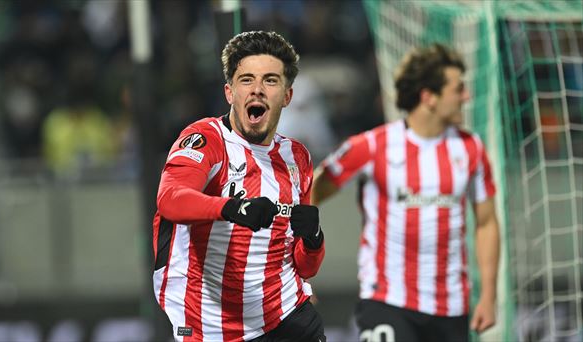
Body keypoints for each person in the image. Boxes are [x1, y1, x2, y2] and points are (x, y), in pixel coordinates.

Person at [311, 43, 500, 342]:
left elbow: (487, 222)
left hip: (451, 306)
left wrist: (489, 295)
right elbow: (308, 194)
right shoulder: (372, 146)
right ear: (429, 97)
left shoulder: (470, 148)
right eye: (458, 89)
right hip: (388, 300)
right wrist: (296, 271)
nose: (466, 97)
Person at [152, 31, 326, 342]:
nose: (257, 90)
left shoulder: (296, 157)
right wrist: (231, 207)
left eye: (270, 80)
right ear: (230, 92)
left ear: (287, 96)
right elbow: (171, 199)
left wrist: (313, 239)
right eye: (247, 80)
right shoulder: (207, 139)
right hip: (211, 323)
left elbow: (305, 265)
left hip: (286, 314)